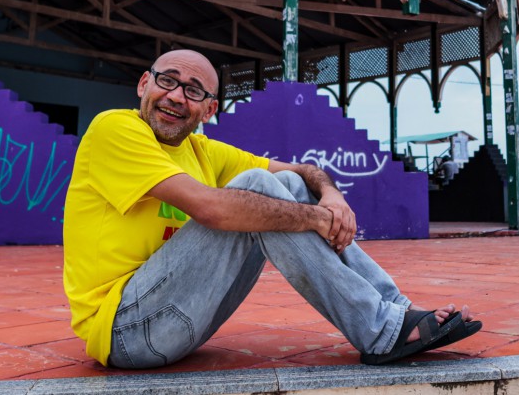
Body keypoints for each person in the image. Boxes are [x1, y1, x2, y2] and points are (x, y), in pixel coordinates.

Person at [63, 49, 480, 369]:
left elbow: (303, 171)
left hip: (177, 324)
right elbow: (212, 209)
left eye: (193, 90)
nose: (175, 96)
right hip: (127, 333)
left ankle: (395, 310)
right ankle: (381, 329)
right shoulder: (114, 129)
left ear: (208, 109)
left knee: (289, 183)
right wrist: (316, 217)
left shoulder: (201, 150)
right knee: (256, 189)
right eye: (167, 81)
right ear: (143, 84)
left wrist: (331, 197)